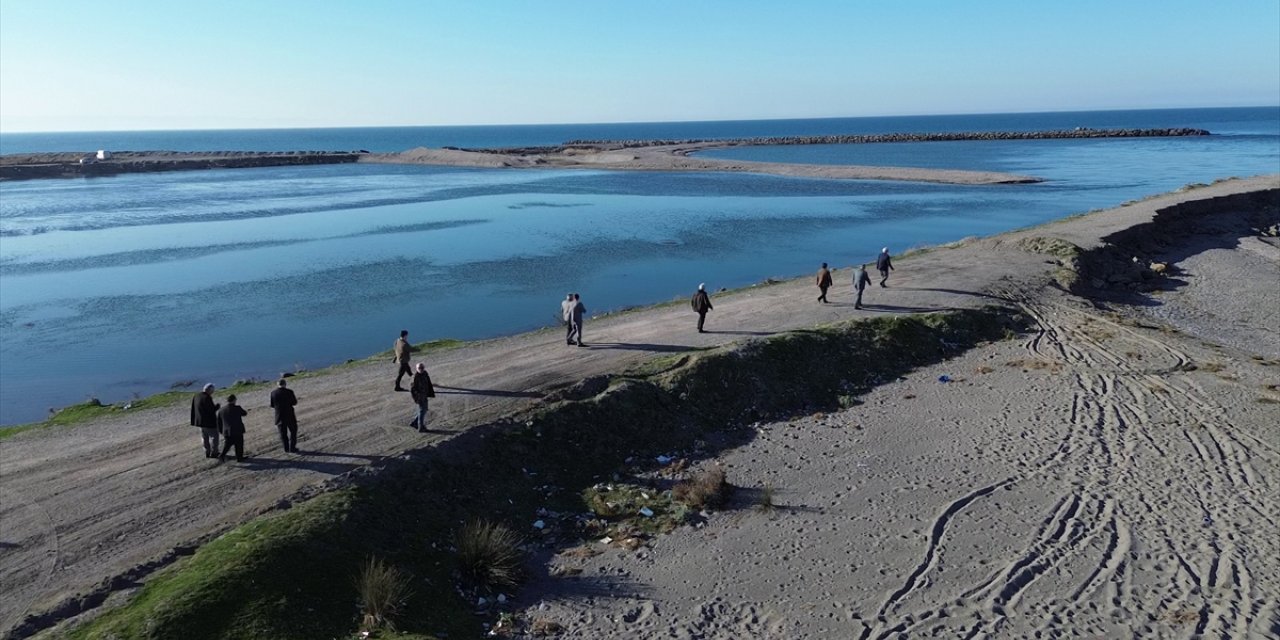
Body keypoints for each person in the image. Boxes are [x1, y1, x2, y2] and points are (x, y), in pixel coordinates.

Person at [190, 383, 220, 458]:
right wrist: (217, 407)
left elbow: (194, 409)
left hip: (200, 421)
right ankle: (214, 452)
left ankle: (207, 452)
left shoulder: (196, 396)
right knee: (214, 437)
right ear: (209, 390)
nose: (212, 393)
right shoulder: (207, 398)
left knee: (204, 437)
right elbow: (211, 410)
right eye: (212, 391)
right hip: (209, 422)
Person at [216, 394, 249, 462]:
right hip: (237, 430)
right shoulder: (237, 408)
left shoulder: (221, 410)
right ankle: (239, 457)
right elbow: (245, 413)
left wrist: (221, 431)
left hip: (227, 431)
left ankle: (222, 455)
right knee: (239, 444)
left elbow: (219, 422)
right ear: (234, 400)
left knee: (227, 445)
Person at [269, 378, 299, 453]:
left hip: (279, 416)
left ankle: (286, 448)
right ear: (285, 384)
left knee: (283, 434)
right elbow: (294, 402)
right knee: (293, 431)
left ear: (278, 384)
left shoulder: (273, 393)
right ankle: (292, 447)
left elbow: (272, 405)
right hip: (290, 415)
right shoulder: (289, 392)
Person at [409, 362, 436, 432]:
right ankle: (420, 427)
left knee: (425, 409)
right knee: (422, 411)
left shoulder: (425, 373)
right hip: (419, 397)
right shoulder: (415, 377)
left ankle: (414, 423)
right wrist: (417, 398)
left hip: (425, 395)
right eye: (419, 368)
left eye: (422, 368)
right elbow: (412, 390)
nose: (421, 369)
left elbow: (429, 383)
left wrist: (430, 392)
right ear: (416, 369)